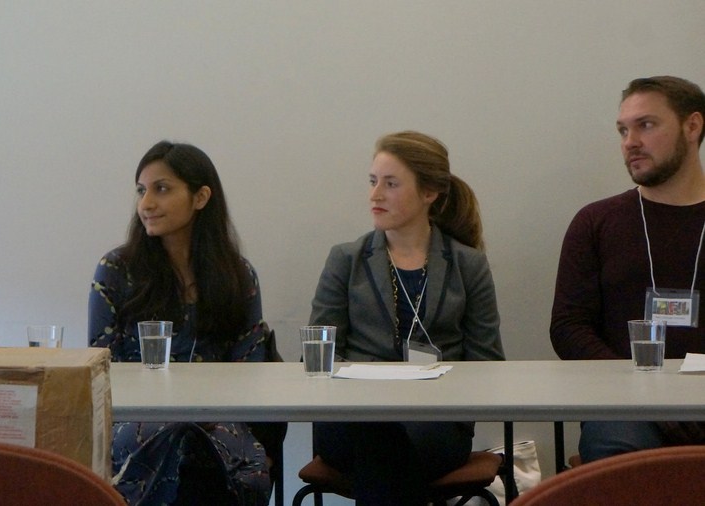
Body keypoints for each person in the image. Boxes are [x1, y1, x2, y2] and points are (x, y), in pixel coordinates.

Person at [307, 131, 504, 505]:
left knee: (387, 449)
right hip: (353, 419)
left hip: (435, 422)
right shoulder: (345, 260)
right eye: (372, 181)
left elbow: (487, 363)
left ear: (429, 192)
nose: (375, 195)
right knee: (378, 435)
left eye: (391, 184)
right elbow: (319, 355)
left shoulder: (468, 265)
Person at [88, 141, 271, 505]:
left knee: (208, 450)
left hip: (217, 420)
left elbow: (249, 369)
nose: (146, 204)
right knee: (174, 440)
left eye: (161, 189)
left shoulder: (237, 275)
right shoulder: (117, 271)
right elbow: (101, 368)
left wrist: (201, 411)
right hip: (136, 420)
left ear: (201, 197)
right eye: (141, 191)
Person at [550, 76, 705, 462]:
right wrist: (640, 391)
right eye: (623, 130)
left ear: (692, 126)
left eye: (646, 125)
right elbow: (569, 327)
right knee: (618, 447)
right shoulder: (596, 222)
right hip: (625, 404)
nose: (630, 141)